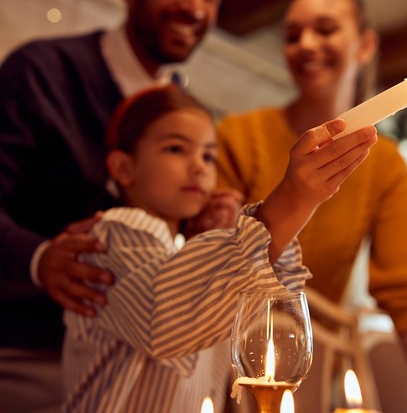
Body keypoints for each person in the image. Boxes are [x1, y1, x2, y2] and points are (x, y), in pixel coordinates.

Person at [0, 0, 226, 411]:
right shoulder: (41, 72)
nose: (196, 8)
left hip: (127, 372)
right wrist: (40, 260)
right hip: (16, 357)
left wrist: (200, 225)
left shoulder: (183, 112)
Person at [61, 84, 378, 412]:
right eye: (175, 149)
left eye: (208, 155)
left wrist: (219, 242)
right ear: (123, 168)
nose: (199, 166)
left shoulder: (182, 250)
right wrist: (292, 200)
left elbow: (267, 305)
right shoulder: (115, 233)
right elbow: (165, 321)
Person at [214, 0, 407, 412]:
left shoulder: (384, 163)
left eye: (325, 30)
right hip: (227, 364)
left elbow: (405, 294)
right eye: (292, 35)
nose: (305, 44)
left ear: (364, 46)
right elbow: (214, 266)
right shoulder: (239, 136)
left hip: (312, 367)